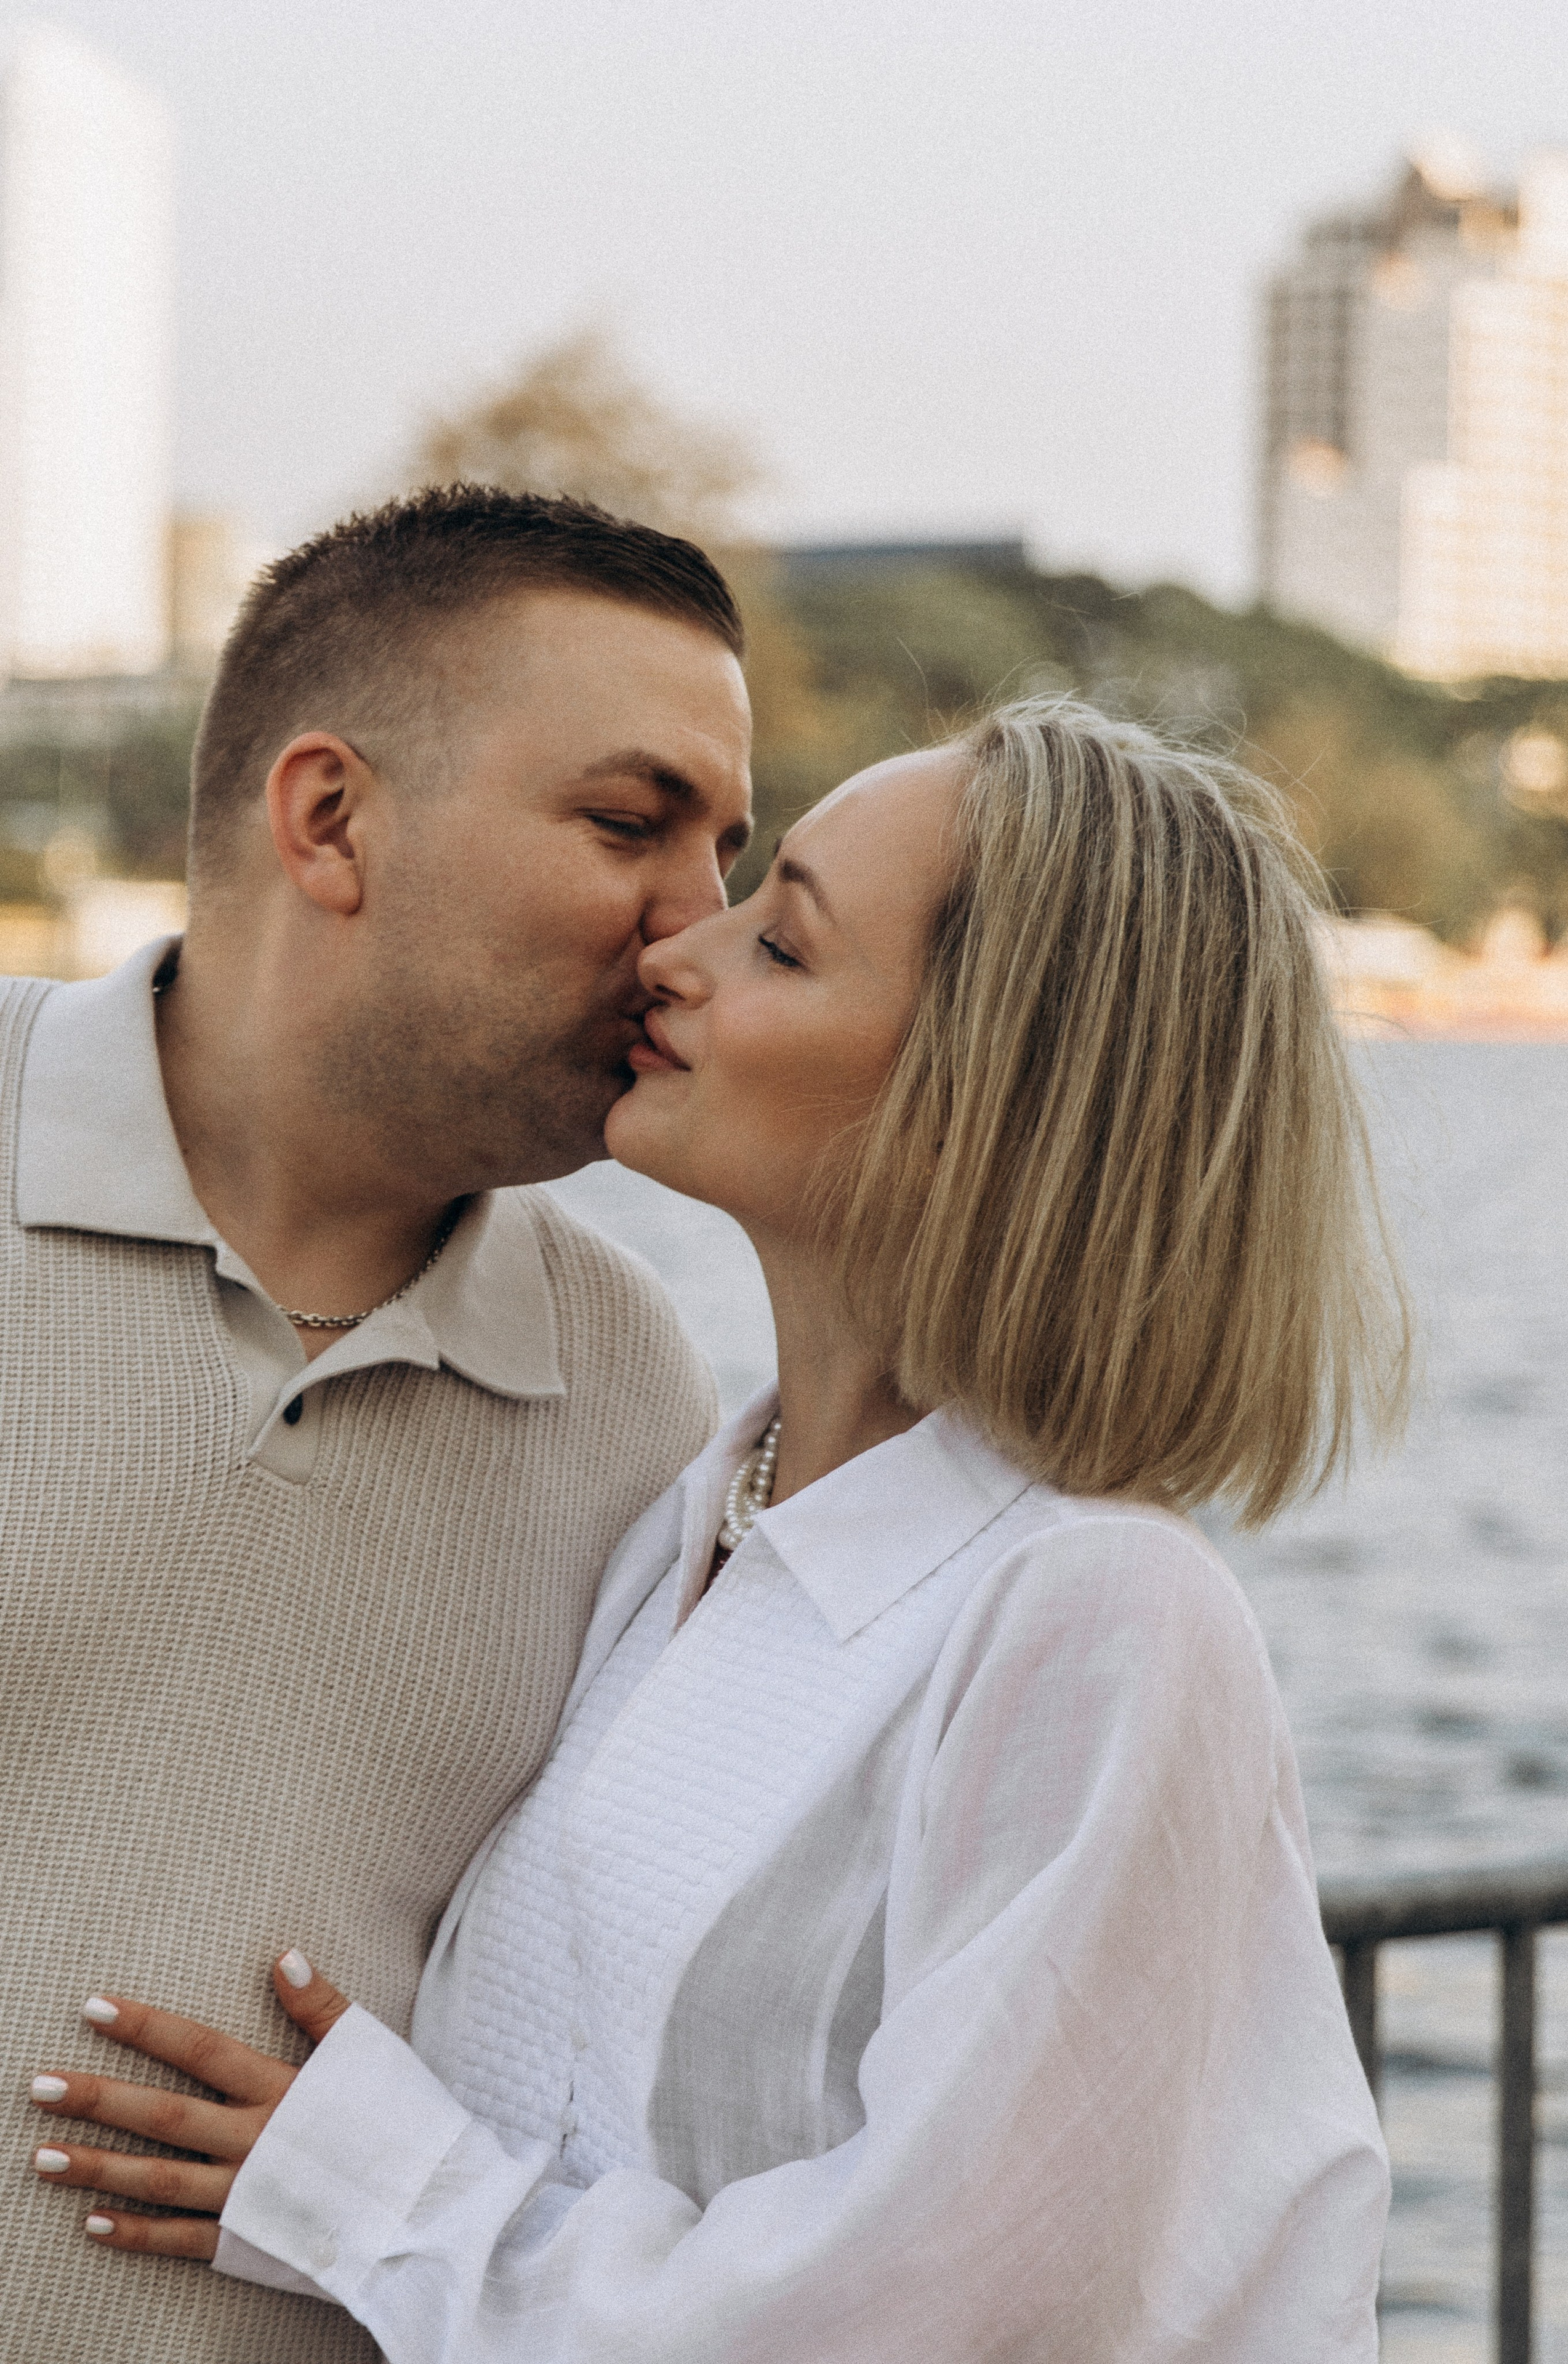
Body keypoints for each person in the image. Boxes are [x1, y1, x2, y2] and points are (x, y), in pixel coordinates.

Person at [30, 698, 1409, 2361]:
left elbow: (940, 2310)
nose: (681, 949)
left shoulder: (1102, 1615)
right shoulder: (684, 1529)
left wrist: (373, 2194)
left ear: (977, 1101)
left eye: (785, 945)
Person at [0, 486, 755, 2364]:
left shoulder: (640, 1391)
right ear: (331, 819)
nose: (697, 935)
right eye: (627, 825)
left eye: (729, 855)